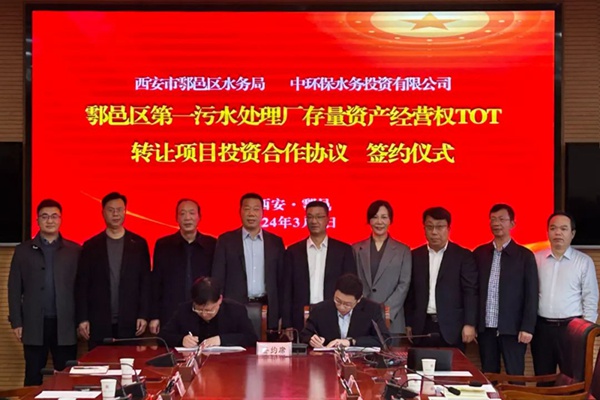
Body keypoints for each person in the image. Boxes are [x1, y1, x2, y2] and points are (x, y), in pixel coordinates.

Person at [8, 199, 81, 386]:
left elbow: (82, 289)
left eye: (54, 216)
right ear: (37, 220)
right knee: (33, 376)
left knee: (67, 377)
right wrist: (17, 321)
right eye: (45, 216)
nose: (50, 220)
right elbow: (14, 288)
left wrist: (82, 320)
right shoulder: (22, 251)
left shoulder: (74, 251)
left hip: (66, 324)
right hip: (33, 323)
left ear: (61, 219)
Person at [76, 192, 151, 349]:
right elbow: (82, 285)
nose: (115, 214)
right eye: (111, 210)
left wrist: (143, 315)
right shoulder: (91, 246)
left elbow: (145, 283)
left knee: (129, 362)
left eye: (119, 210)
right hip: (98, 321)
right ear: (103, 212)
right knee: (100, 362)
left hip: (131, 322)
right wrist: (83, 318)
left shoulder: (139, 244)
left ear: (125, 211)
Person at [531, 212, 599, 379]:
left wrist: (585, 332)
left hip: (571, 328)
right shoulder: (536, 259)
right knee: (542, 378)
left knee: (572, 379)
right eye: (553, 228)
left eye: (563, 229)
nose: (558, 233)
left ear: (572, 233)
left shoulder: (583, 261)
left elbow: (590, 298)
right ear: (547, 232)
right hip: (542, 328)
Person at [473, 204, 538, 375]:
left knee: (515, 376)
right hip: (486, 329)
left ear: (512, 224)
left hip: (513, 329)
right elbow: (473, 292)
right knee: (489, 375)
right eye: (493, 219)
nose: (497, 223)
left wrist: (528, 327)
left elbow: (531, 294)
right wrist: (473, 323)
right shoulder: (480, 253)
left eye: (502, 219)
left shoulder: (524, 256)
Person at [212, 193, 285, 338]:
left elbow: (282, 280)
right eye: (247, 209)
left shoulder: (275, 242)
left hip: (268, 308)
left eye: (256, 209)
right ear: (240, 211)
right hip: (235, 308)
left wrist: (282, 315)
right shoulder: (226, 241)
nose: (251, 213)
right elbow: (218, 277)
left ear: (262, 212)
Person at [404, 207, 478, 351]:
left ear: (448, 228)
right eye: (429, 227)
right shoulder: (415, 256)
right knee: (421, 365)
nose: (434, 232)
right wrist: (409, 323)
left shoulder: (463, 256)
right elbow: (410, 292)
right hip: (422, 326)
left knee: (453, 365)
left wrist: (470, 323)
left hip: (453, 328)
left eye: (439, 227)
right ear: (424, 229)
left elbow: (470, 292)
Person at [283, 200, 357, 333]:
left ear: (328, 219)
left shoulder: (343, 250)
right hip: (300, 317)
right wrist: (287, 324)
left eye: (319, 217)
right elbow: (287, 290)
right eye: (310, 217)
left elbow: (350, 287)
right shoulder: (293, 251)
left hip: (334, 315)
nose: (314, 221)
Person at [149, 199, 216, 335]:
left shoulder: (212, 245)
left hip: (204, 313)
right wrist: (154, 316)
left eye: (192, 213)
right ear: (176, 218)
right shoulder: (163, 245)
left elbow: (217, 280)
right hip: (171, 313)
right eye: (182, 213)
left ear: (199, 217)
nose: (187, 218)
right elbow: (156, 283)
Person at [353, 200, 411, 334]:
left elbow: (404, 284)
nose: (379, 222)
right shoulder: (356, 249)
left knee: (391, 348)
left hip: (391, 318)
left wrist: (386, 311)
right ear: (369, 220)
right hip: (361, 315)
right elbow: (353, 281)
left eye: (384, 217)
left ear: (390, 220)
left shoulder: (403, 250)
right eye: (375, 217)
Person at [161, 277, 258, 348]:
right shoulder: (184, 310)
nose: (203, 314)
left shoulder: (235, 310)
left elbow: (251, 338)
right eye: (199, 310)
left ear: (220, 300)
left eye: (209, 310)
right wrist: (181, 340)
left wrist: (221, 340)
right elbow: (163, 336)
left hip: (227, 364)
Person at [300, 273, 389, 348]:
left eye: (347, 304)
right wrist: (312, 340)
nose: (341, 307)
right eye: (338, 301)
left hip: (360, 360)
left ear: (359, 299)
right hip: (328, 359)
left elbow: (384, 339)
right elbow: (304, 335)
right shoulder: (320, 309)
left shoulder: (371, 309)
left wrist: (351, 342)